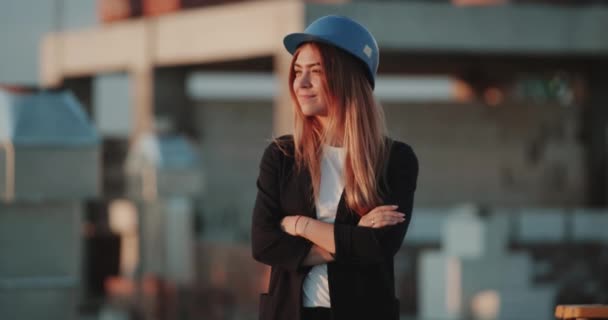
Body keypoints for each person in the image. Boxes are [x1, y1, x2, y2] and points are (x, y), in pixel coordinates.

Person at [251, 15, 419, 320]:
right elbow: (263, 243)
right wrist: (351, 237)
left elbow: (379, 246)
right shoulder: (281, 155)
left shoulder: (396, 160)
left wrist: (299, 226)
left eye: (315, 72)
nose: (300, 83)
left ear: (348, 77)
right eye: (298, 71)